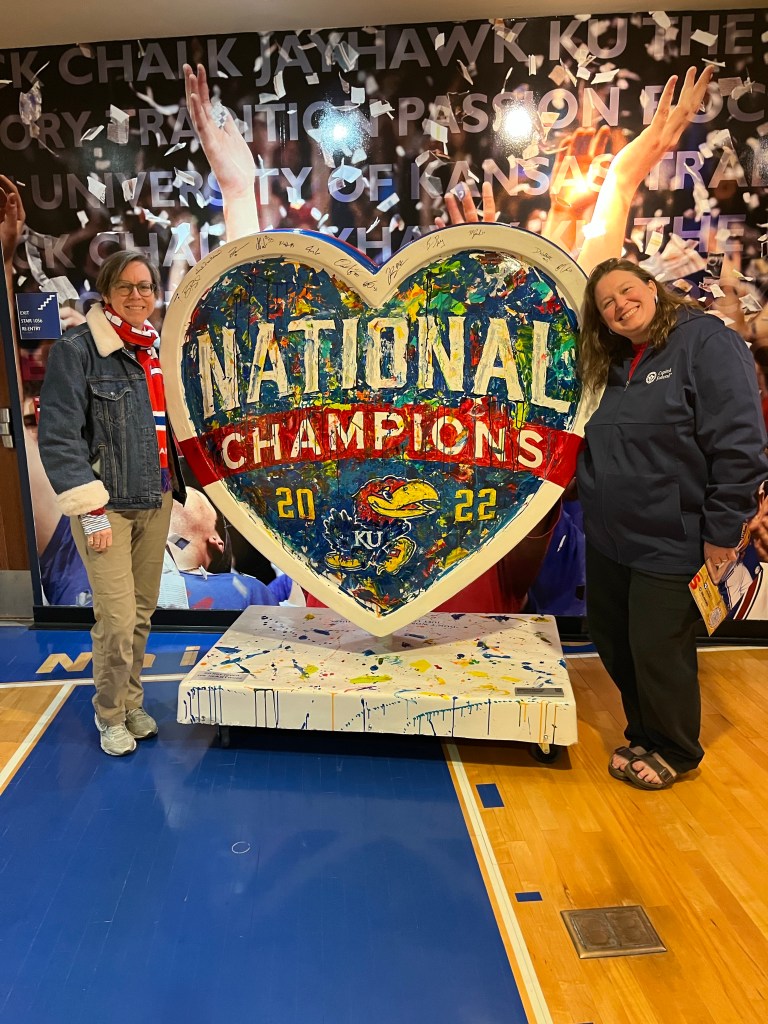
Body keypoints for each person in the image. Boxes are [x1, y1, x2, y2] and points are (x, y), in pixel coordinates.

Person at [577, 257, 768, 790]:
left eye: (626, 290)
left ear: (652, 287)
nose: (620, 305)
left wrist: (722, 532)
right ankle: (644, 732)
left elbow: (740, 447)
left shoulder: (705, 342)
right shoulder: (614, 361)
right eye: (607, 303)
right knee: (614, 639)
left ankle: (677, 748)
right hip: (609, 538)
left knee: (658, 647)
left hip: (672, 538)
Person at [37, 250, 187, 756]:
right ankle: (109, 713)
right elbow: (59, 439)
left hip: (156, 498)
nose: (137, 296)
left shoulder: (154, 348)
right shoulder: (77, 349)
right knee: (117, 620)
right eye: (126, 286)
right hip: (107, 506)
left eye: (145, 287)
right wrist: (90, 511)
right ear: (106, 293)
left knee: (142, 613)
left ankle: (130, 702)